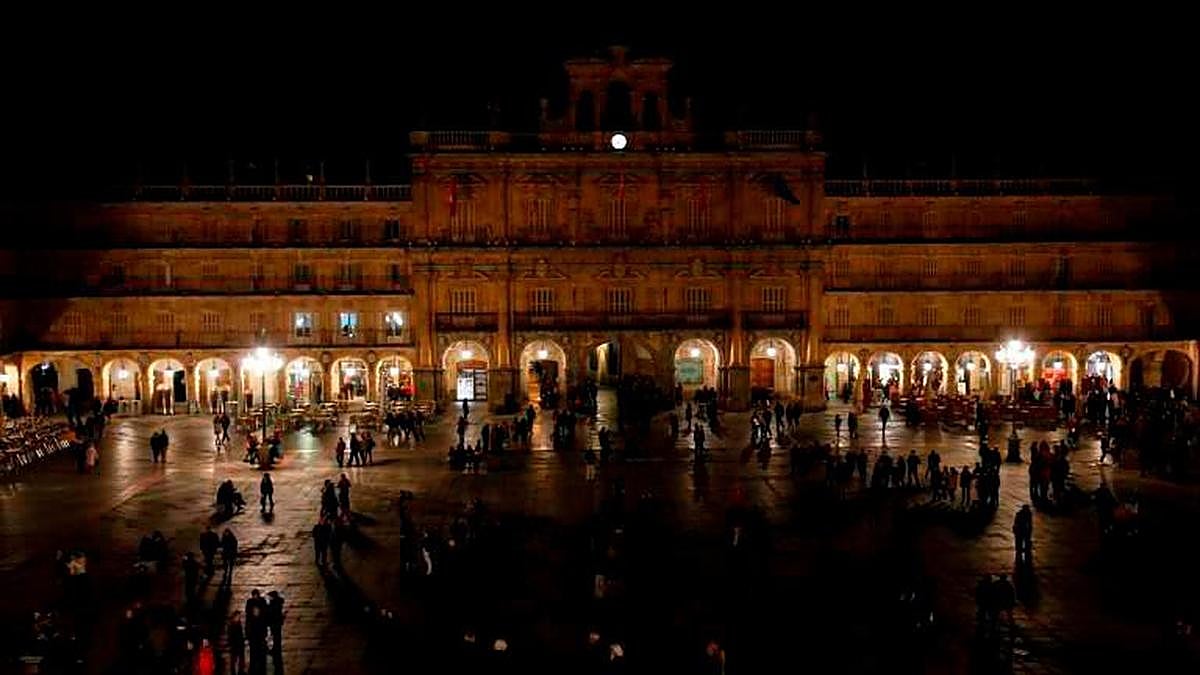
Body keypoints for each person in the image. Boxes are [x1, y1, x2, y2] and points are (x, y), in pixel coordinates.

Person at [227, 611, 246, 675]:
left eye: (239, 616)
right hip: (234, 645)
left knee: (241, 660)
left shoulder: (238, 624)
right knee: (234, 660)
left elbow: (240, 635)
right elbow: (231, 636)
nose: (239, 618)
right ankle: (234, 672)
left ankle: (241, 671)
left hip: (240, 645)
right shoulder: (232, 625)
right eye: (238, 616)